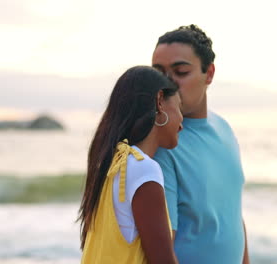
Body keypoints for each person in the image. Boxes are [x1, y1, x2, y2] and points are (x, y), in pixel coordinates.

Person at [152, 25, 250, 264]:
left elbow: (233, 216)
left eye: (181, 71)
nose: (167, 83)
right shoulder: (162, 144)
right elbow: (161, 249)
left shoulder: (224, 128)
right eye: (158, 72)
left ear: (209, 74)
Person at [78, 66, 183, 263]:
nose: (182, 120)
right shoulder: (143, 169)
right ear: (160, 102)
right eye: (179, 107)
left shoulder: (111, 164)